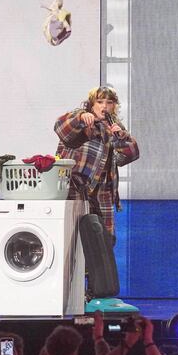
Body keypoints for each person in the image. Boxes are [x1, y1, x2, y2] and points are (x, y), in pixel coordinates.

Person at [55, 86, 141, 241]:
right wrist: (81, 118)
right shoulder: (79, 117)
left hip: (101, 191)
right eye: (99, 101)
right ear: (91, 104)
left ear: (114, 106)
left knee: (103, 241)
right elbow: (61, 129)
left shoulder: (114, 127)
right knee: (70, 238)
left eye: (109, 102)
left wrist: (120, 138)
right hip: (73, 189)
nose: (104, 106)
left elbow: (130, 155)